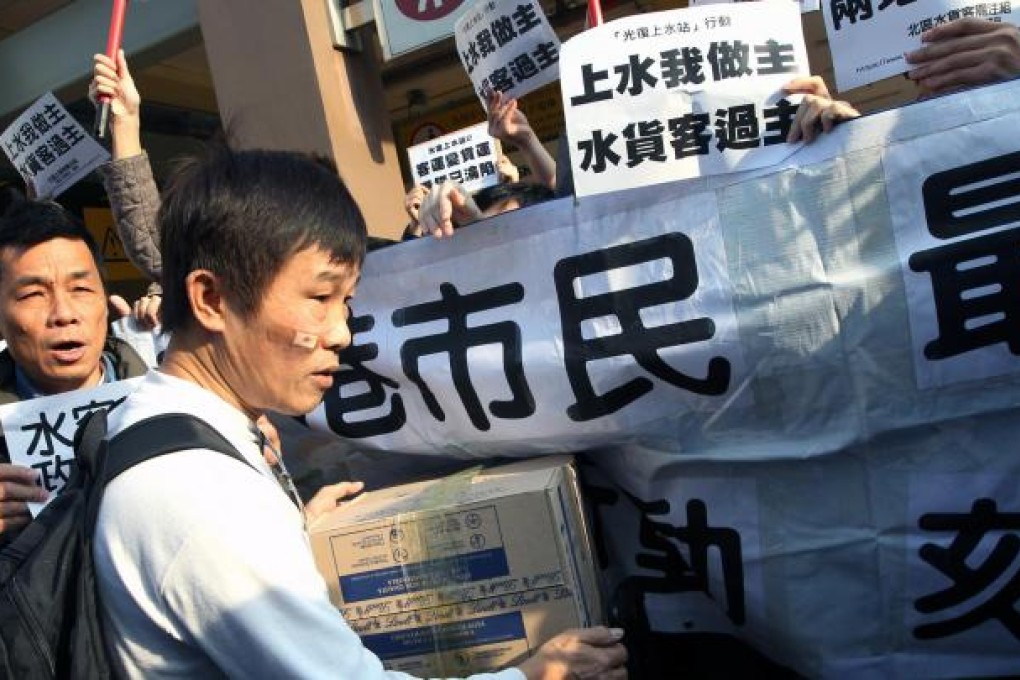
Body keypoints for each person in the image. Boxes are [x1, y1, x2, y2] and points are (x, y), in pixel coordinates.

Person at [92, 148, 628, 679]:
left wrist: (289, 528)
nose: (341, 333)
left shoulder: (163, 431)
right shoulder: (201, 498)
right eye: (319, 297)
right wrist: (538, 675)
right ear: (211, 299)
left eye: (345, 302)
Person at [0, 194, 150, 541]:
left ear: (105, 299)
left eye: (81, 288)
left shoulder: (175, 400)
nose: (64, 314)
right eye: (33, 294)